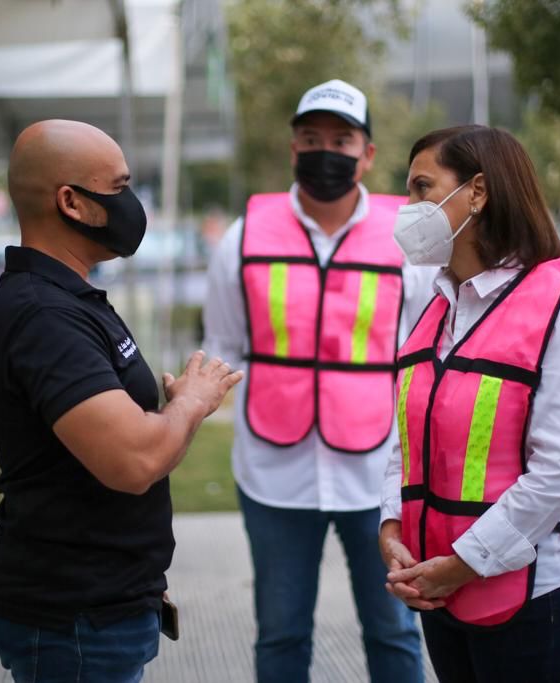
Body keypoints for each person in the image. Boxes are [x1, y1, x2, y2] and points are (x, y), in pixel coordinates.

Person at [0, 119, 243, 683]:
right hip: (74, 617)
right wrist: (191, 402)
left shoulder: (66, 296)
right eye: (119, 187)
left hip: (101, 601)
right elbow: (133, 461)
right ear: (71, 201)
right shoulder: (45, 316)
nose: (131, 203)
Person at [202, 79, 431, 683]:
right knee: (280, 636)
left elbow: (424, 356)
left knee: (394, 632)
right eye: (311, 138)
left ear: (368, 153)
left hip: (379, 477)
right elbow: (223, 345)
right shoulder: (242, 238)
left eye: (341, 139)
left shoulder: (408, 239)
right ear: (292, 147)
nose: (324, 151)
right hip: (274, 474)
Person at [378, 125, 560, 683]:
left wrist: (463, 564)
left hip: (534, 596)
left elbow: (559, 472)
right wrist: (391, 529)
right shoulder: (439, 310)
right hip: (440, 588)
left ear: (479, 192)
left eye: (421, 188)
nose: (407, 207)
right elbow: (407, 445)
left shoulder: (556, 306)